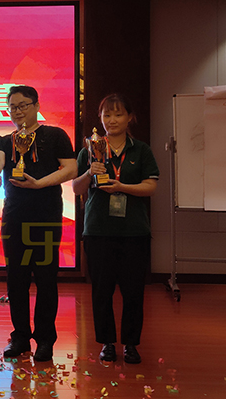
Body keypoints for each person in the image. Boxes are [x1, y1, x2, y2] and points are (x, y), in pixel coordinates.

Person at [0, 85, 77, 362]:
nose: (18, 111)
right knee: (16, 279)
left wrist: (40, 184)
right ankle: (20, 337)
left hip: (46, 216)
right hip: (14, 217)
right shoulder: (5, 140)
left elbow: (72, 168)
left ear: (37, 106)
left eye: (23, 105)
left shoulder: (55, 135)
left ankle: (45, 339)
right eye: (13, 107)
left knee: (46, 278)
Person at [72, 94, 158, 364]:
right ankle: (107, 343)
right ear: (100, 118)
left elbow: (151, 186)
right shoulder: (90, 149)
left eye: (118, 114)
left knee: (133, 291)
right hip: (98, 230)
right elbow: (76, 188)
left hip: (134, 232)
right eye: (107, 115)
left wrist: (121, 187)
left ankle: (131, 344)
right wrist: (89, 172)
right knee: (101, 290)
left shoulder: (141, 150)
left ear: (130, 117)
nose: (112, 120)